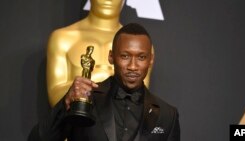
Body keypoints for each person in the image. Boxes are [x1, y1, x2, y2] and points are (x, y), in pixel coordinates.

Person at [29, 23, 180, 141]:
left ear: (151, 60)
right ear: (111, 57)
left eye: (141, 57)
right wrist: (65, 103)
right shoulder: (86, 98)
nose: (133, 66)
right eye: (125, 56)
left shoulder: (167, 115)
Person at [46, 0, 153, 108]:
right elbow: (55, 97)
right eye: (125, 56)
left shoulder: (142, 46)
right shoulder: (63, 38)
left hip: (121, 122)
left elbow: (140, 98)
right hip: (76, 121)